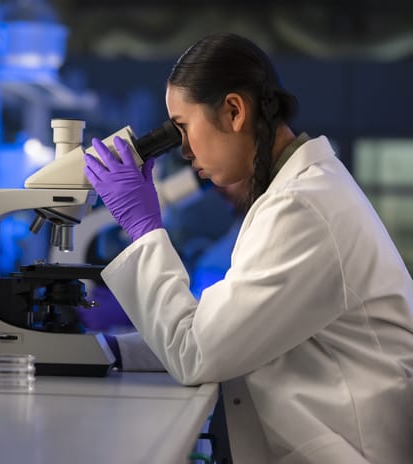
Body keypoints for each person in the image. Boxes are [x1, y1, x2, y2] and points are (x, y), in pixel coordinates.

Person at [83, 32, 413, 463]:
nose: (182, 149)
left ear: (235, 111)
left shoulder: (302, 206)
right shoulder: (294, 193)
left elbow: (198, 352)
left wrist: (145, 230)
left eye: (183, 127)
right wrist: (113, 351)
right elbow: (217, 327)